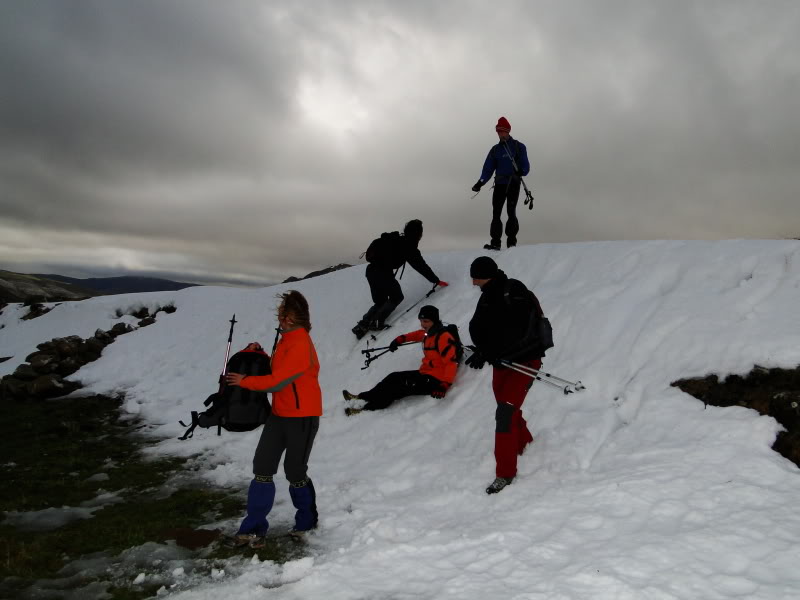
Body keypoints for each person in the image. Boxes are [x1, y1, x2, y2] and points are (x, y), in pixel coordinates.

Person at [223, 290, 322, 547]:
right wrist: (258, 355)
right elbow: (278, 371)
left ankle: (306, 522)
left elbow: (279, 381)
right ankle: (253, 528)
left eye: (282, 312)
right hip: (279, 415)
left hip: (302, 416)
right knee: (263, 468)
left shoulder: (300, 342)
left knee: (295, 471)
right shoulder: (286, 339)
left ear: (290, 317)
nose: (278, 316)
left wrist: (245, 381)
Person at [465, 256, 547, 494]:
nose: (473, 282)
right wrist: (483, 350)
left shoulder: (513, 291)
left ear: (487, 274)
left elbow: (518, 332)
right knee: (506, 407)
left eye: (476, 277)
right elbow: (487, 327)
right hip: (501, 362)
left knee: (505, 413)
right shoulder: (488, 292)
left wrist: (490, 350)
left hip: (524, 361)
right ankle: (525, 443)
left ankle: (505, 473)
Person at [344, 305, 458, 415]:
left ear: (435, 321)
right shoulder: (429, 333)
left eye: (426, 321)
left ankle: (366, 409)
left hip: (435, 381)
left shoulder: (443, 337)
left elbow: (451, 363)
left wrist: (444, 385)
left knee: (396, 388)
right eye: (421, 321)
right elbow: (416, 335)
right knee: (393, 377)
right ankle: (363, 397)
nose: (423, 324)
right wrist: (399, 340)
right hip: (425, 374)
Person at [352, 219, 449, 339]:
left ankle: (362, 325)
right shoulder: (409, 246)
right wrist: (436, 280)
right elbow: (420, 266)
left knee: (380, 301)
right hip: (382, 273)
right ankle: (377, 322)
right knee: (397, 296)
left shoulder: (396, 239)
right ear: (419, 234)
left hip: (371, 271)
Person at [470, 116, 530, 251]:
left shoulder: (519, 147)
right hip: (499, 184)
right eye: (498, 132)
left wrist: (523, 170)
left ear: (508, 131)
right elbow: (488, 168)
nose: (500, 134)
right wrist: (480, 182)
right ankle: (496, 242)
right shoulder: (495, 150)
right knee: (496, 213)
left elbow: (525, 164)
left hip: (513, 183)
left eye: (502, 131)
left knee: (511, 212)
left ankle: (511, 243)